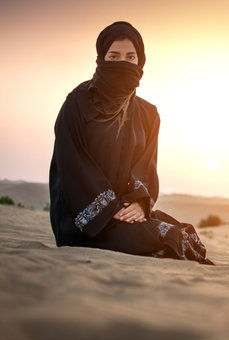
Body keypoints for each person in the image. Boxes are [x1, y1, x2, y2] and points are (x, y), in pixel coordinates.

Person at [49, 21, 213, 265]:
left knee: (185, 234)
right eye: (113, 56)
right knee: (165, 240)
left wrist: (138, 202)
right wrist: (109, 208)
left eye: (130, 57)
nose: (122, 64)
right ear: (101, 59)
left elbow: (145, 166)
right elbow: (74, 166)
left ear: (140, 62)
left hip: (126, 211)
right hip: (85, 219)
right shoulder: (77, 104)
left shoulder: (148, 114)